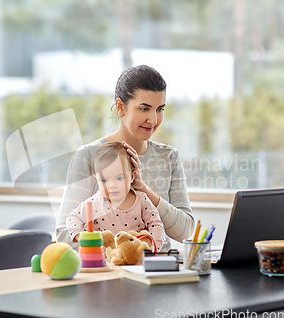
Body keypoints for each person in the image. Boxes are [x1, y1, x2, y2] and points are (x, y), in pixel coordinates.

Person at [57, 64, 195, 251]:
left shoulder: (168, 157)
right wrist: (123, 248)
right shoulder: (88, 156)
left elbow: (187, 232)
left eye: (160, 109)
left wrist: (143, 189)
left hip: (159, 269)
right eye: (144, 109)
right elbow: (64, 235)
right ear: (121, 108)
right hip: (110, 271)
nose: (153, 120)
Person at [66, 141, 165, 251]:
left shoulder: (142, 201)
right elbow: (73, 218)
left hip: (135, 259)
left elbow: (156, 225)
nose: (112, 185)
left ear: (132, 177)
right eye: (104, 180)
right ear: (96, 179)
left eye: (119, 178)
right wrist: (82, 238)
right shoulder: (96, 202)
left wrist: (151, 248)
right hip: (105, 260)